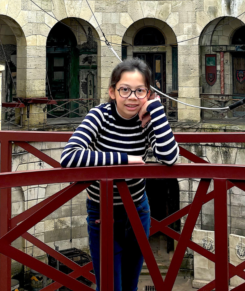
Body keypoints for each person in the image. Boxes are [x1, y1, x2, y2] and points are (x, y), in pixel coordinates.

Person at [60, 58, 179, 291]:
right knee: (109, 285)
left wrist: (156, 110)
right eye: (125, 90)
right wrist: (126, 160)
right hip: (101, 212)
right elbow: (69, 156)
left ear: (148, 93)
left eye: (140, 91)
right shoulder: (99, 116)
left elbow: (169, 157)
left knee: (130, 284)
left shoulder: (147, 120)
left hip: (138, 209)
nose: (132, 97)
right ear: (112, 92)